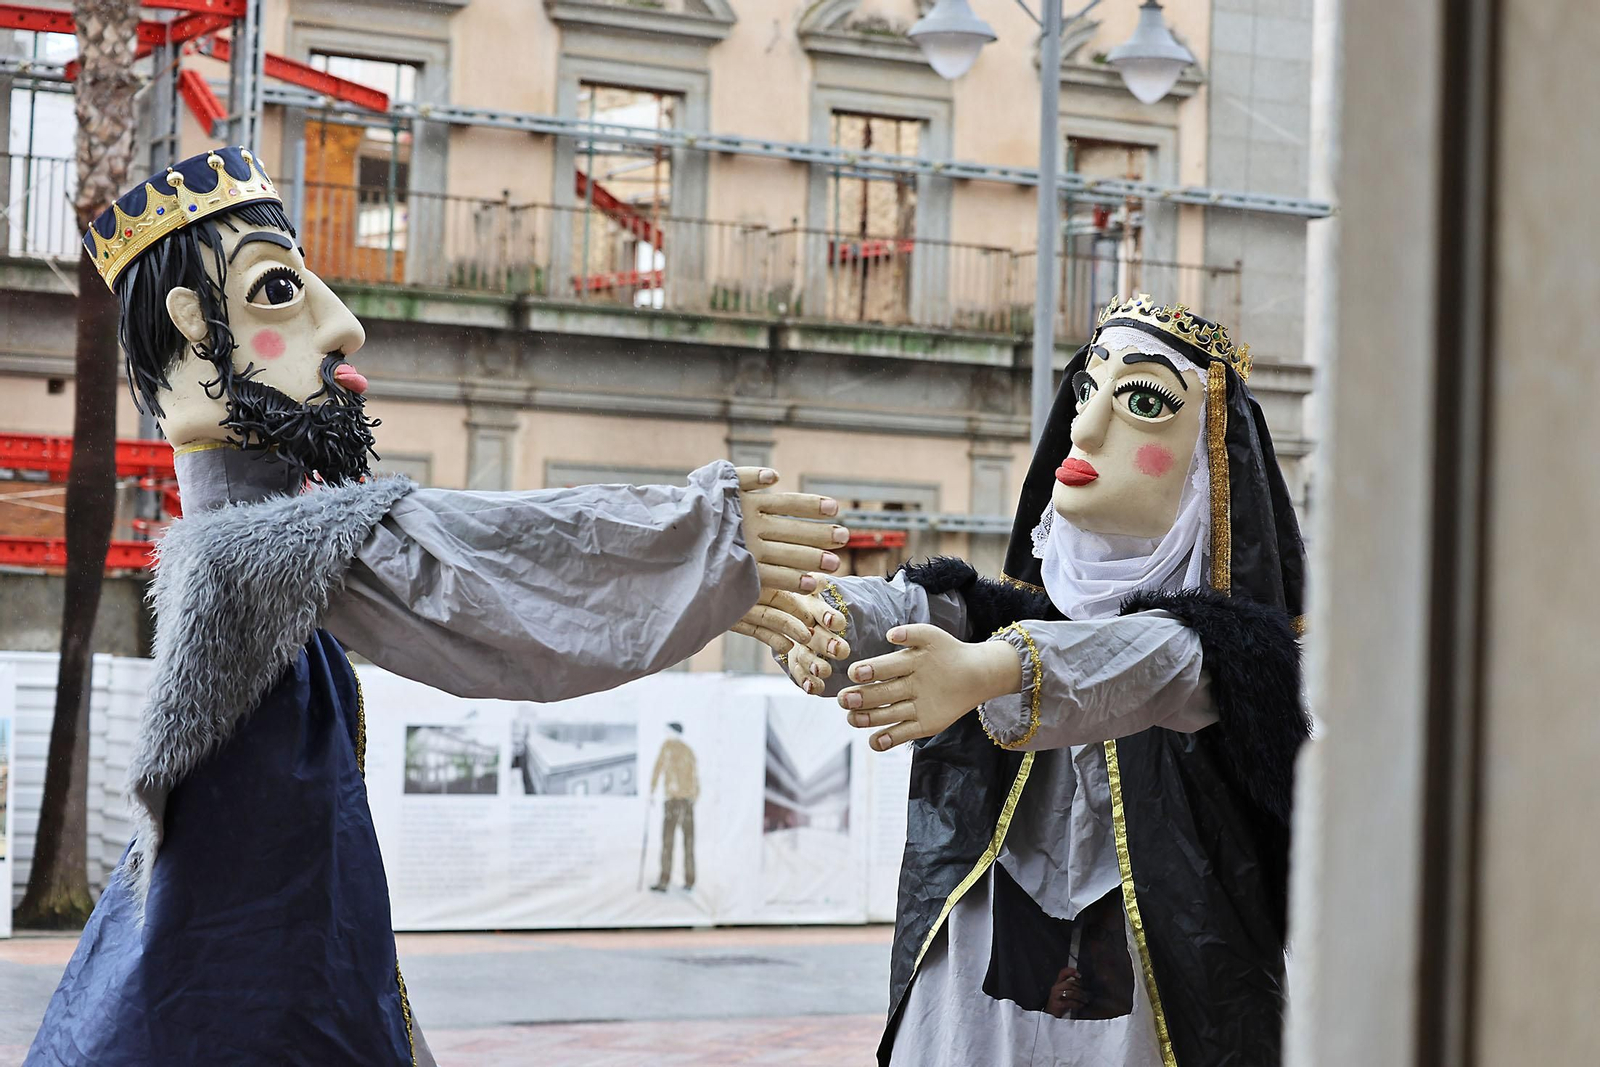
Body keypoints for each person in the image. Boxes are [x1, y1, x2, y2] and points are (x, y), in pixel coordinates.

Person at [26, 146, 849, 1067]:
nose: (344, 327)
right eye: (277, 292)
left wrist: (705, 580)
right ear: (191, 323)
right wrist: (705, 544)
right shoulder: (246, 563)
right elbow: (469, 562)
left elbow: (463, 577)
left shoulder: (256, 569)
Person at [740, 295, 1307, 1066]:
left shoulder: (1235, 656)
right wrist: (815, 618)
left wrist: (986, 670)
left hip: (1157, 1003)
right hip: (981, 1004)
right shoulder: (996, 611)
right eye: (1085, 390)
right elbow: (912, 606)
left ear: (1210, 455)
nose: (1084, 428)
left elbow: (1142, 665)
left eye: (1140, 402)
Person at [648, 722, 700, 891]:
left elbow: (658, 768)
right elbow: (695, 777)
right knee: (684, 842)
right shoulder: (685, 750)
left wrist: (652, 790)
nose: (666, 734)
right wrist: (693, 797)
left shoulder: (670, 748)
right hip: (684, 801)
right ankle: (686, 880)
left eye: (668, 731)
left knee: (671, 842)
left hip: (677, 801)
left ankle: (667, 881)